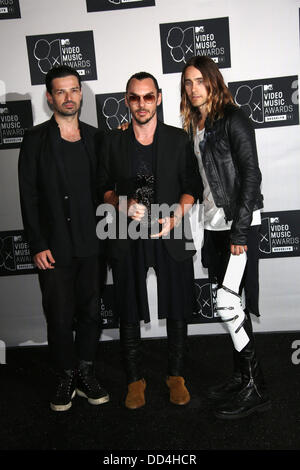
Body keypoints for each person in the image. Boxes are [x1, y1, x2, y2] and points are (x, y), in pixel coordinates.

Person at [98, 71, 201, 409]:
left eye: (147, 96)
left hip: (172, 229)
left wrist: (175, 217)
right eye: (134, 97)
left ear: (158, 97)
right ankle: (134, 380)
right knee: (128, 305)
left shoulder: (178, 138)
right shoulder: (113, 141)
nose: (141, 104)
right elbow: (103, 187)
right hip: (127, 232)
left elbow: (193, 187)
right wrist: (120, 202)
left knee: (178, 304)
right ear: (126, 100)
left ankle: (175, 375)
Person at [180, 56, 271, 419]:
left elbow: (251, 174)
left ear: (213, 82)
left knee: (229, 304)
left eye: (200, 80)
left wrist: (240, 229)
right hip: (213, 226)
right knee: (229, 304)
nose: (193, 88)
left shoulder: (233, 118)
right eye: (187, 82)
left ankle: (256, 387)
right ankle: (242, 376)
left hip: (237, 224)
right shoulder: (195, 125)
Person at [18, 65, 109, 412]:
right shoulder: (35, 140)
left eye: (74, 90)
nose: (69, 97)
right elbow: (28, 196)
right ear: (49, 97)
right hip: (54, 247)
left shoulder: (96, 138)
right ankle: (66, 374)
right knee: (58, 314)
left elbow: (107, 188)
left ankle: (85, 372)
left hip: (93, 243)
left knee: (90, 312)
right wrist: (37, 243)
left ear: (81, 93)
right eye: (61, 91)